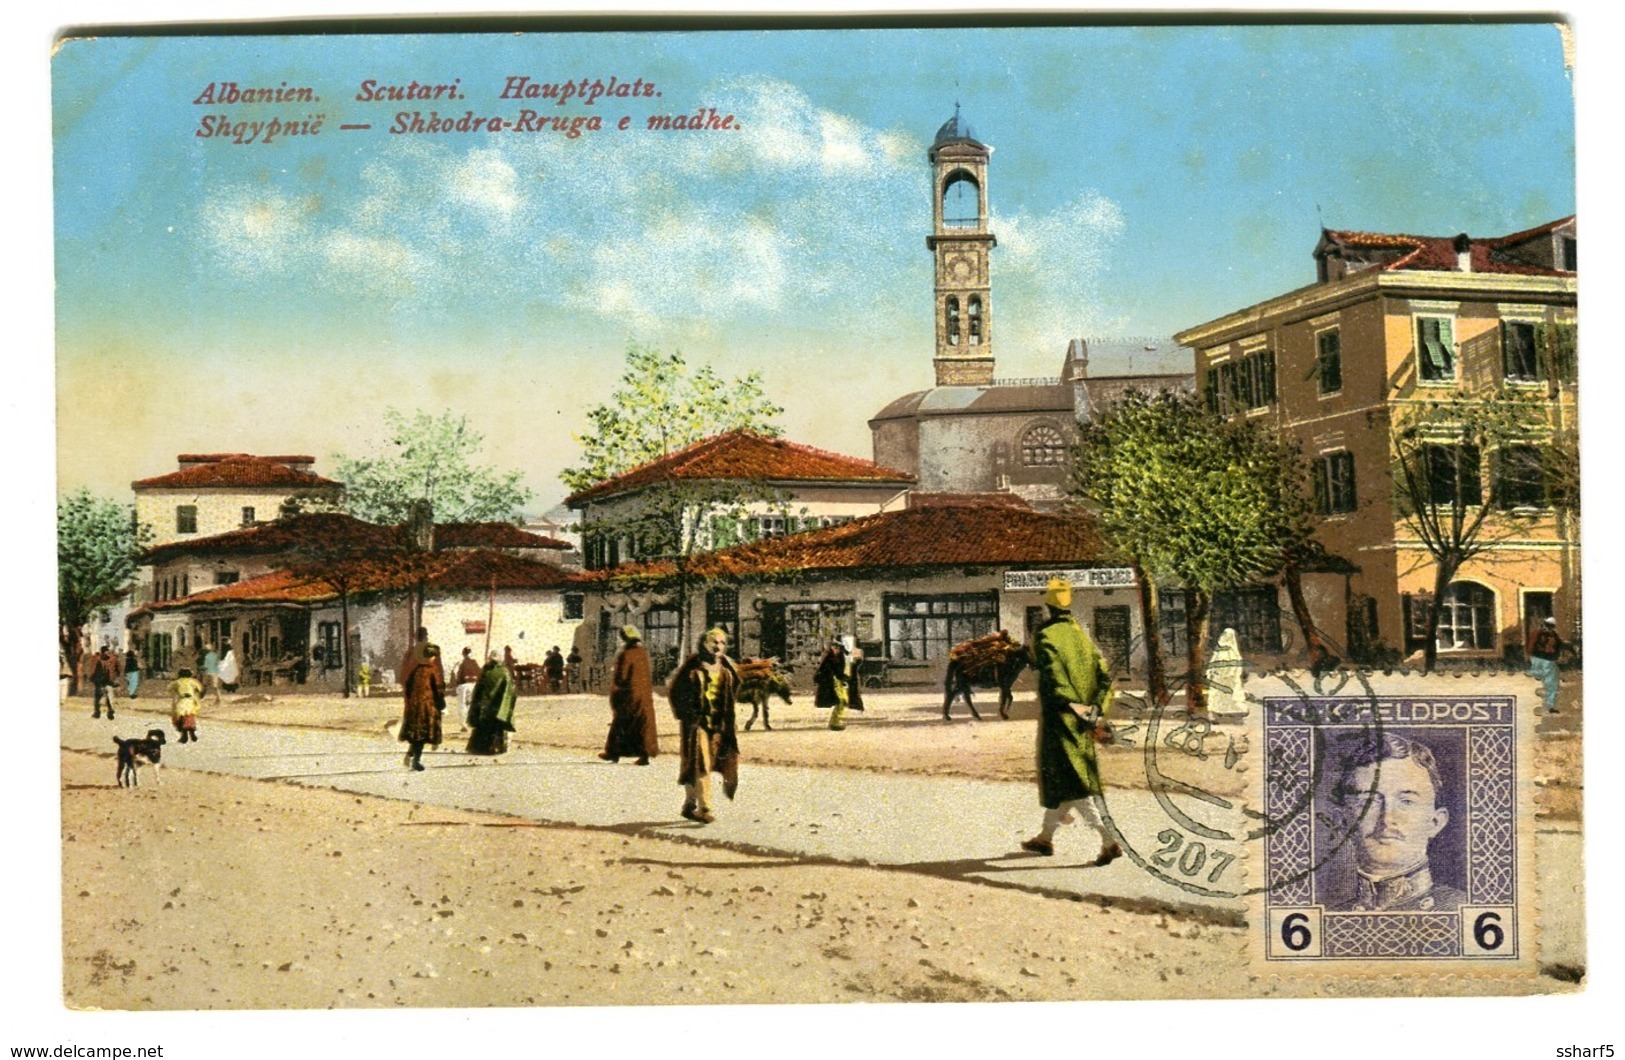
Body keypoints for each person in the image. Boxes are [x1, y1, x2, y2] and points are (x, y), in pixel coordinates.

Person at [1020, 578, 1121, 865]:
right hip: (1084, 721)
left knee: (1074, 784)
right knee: (1062, 781)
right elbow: (1104, 678)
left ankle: (1109, 840)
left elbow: (1055, 681)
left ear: (1049, 605)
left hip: (1061, 721)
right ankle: (1044, 838)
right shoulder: (1082, 636)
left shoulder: (1045, 635)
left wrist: (1074, 708)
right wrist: (1095, 714)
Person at [1326, 733, 1466, 912]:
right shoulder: (1331, 917)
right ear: (1343, 822)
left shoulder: (1463, 908)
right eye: (1369, 802)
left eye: (1406, 801)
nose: (1387, 818)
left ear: (1435, 822)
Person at [667, 628, 741, 825]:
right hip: (697, 724)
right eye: (713, 642)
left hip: (718, 725)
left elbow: (733, 691)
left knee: (703, 763)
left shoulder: (726, 670)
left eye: (722, 643)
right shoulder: (692, 668)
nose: (718, 646)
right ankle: (705, 807)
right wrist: (689, 715)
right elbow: (675, 692)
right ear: (704, 644)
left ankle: (690, 802)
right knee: (701, 762)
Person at [601, 626, 658, 765]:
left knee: (621, 723)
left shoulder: (625, 654)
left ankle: (613, 753)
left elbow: (622, 676)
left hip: (628, 694)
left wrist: (616, 690)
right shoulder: (642, 652)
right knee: (642, 724)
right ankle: (644, 755)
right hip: (643, 694)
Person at [398, 627, 446, 772]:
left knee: (417, 733)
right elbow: (438, 685)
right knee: (423, 733)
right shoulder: (432, 664)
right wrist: (441, 703)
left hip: (414, 705)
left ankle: (411, 754)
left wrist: (409, 702)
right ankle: (416, 760)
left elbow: (406, 681)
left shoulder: (413, 659)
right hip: (428, 706)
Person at [466, 651, 517, 756]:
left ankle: (479, 748)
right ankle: (496, 748)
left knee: (483, 727)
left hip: (484, 705)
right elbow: (508, 690)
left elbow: (479, 688)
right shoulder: (504, 672)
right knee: (496, 727)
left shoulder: (485, 670)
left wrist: (476, 703)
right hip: (497, 706)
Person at [814, 635, 864, 731]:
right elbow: (831, 668)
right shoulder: (835, 655)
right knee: (841, 700)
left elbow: (852, 667)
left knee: (843, 701)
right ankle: (835, 722)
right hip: (836, 681)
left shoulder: (847, 655)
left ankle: (835, 721)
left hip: (844, 681)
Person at [1526, 617, 1564, 714]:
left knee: (1551, 684)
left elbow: (1559, 645)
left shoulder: (1552, 634)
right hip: (1543, 659)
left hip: (1546, 659)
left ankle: (1549, 705)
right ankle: (1547, 705)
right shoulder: (1539, 633)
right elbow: (1531, 646)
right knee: (1551, 683)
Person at [1204, 627, 1244, 715]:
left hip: (1230, 677)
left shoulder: (1233, 650)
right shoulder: (1219, 650)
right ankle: (1213, 712)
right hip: (1219, 677)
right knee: (1217, 694)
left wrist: (1234, 673)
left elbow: (1237, 664)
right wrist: (1211, 672)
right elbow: (1213, 661)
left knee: (1229, 694)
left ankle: (1228, 711)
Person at [170, 667, 203, 743]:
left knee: (179, 717)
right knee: (190, 715)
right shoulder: (193, 682)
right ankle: (192, 732)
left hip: (181, 700)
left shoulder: (177, 682)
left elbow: (169, 689)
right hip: (191, 700)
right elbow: (200, 689)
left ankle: (183, 735)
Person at [454, 647, 483, 732]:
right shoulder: (475, 662)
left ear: (463, 654)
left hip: (463, 685)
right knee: (471, 704)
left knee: (462, 704)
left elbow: (457, 675)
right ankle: (472, 722)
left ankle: (464, 724)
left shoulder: (461, 663)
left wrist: (457, 683)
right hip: (473, 685)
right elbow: (480, 673)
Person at [90, 645, 118, 719]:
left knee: (110, 696)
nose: (107, 653)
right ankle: (97, 712)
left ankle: (110, 711)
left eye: (108, 652)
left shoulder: (113, 659)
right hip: (99, 681)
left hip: (109, 681)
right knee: (98, 697)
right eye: (106, 652)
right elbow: (93, 670)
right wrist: (93, 679)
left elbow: (118, 668)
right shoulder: (98, 660)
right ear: (102, 652)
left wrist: (115, 677)